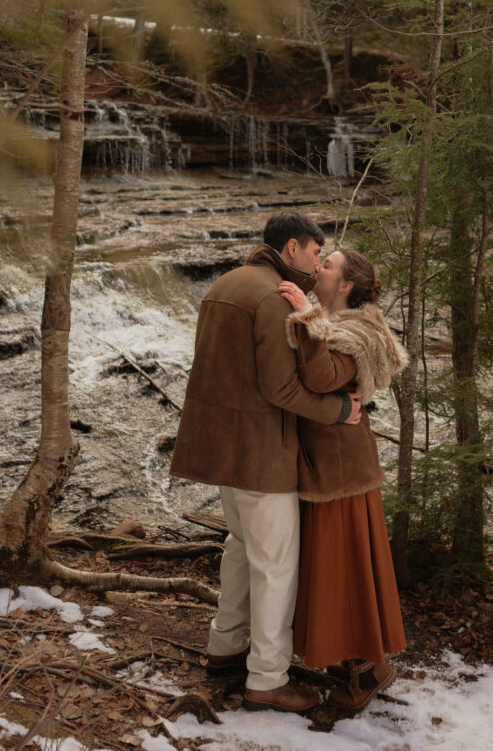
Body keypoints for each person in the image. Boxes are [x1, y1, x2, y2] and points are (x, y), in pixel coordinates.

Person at [169, 212, 362, 714]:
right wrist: (339, 410)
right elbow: (281, 388)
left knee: (240, 549)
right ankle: (268, 680)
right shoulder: (273, 297)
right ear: (293, 248)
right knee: (276, 565)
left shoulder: (226, 283)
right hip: (260, 452)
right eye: (316, 253)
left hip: (222, 450)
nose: (318, 262)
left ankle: (225, 649)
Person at [278, 246, 408, 712]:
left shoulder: (359, 333)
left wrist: (305, 316)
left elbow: (319, 377)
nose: (319, 268)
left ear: (346, 285)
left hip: (342, 467)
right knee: (330, 565)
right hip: (326, 460)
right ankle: (344, 662)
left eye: (327, 266)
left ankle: (367, 669)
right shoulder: (334, 322)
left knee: (345, 566)